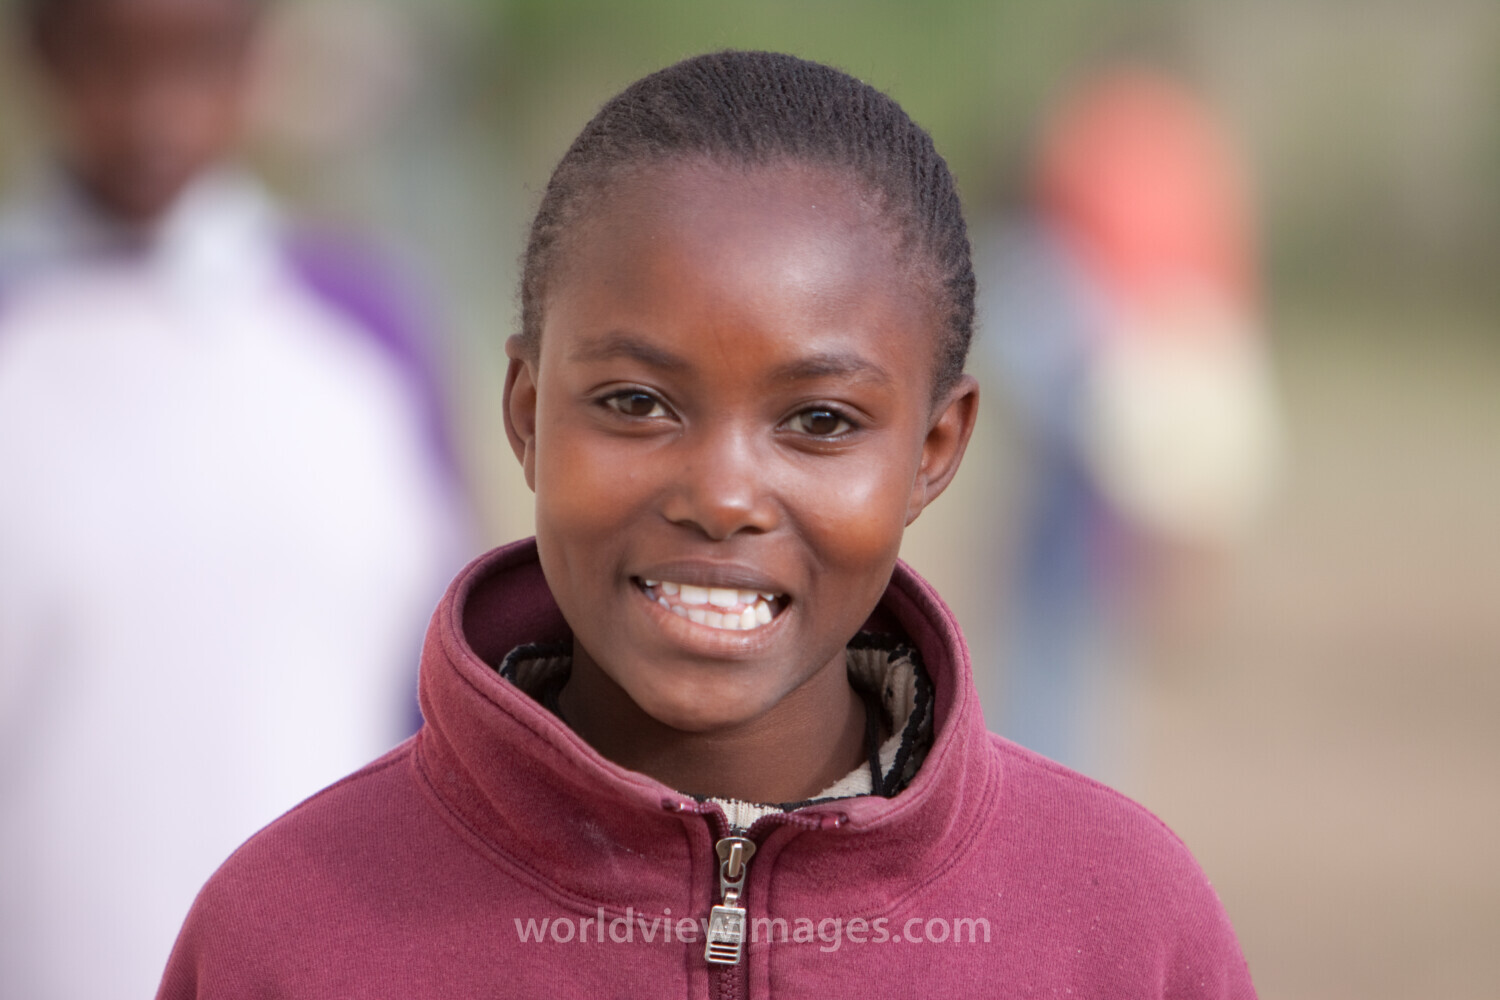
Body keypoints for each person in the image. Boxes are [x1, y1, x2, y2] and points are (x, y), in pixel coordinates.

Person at [158, 51, 1255, 998]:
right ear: (527, 412)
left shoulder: (1124, 927)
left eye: (820, 420)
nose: (721, 494)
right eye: (637, 403)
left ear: (933, 451)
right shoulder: (288, 930)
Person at [0, 1, 467, 997]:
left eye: (201, 59)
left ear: (260, 56)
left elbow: (440, 690)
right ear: (42, 55)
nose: (156, 114)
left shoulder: (371, 336)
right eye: (112, 61)